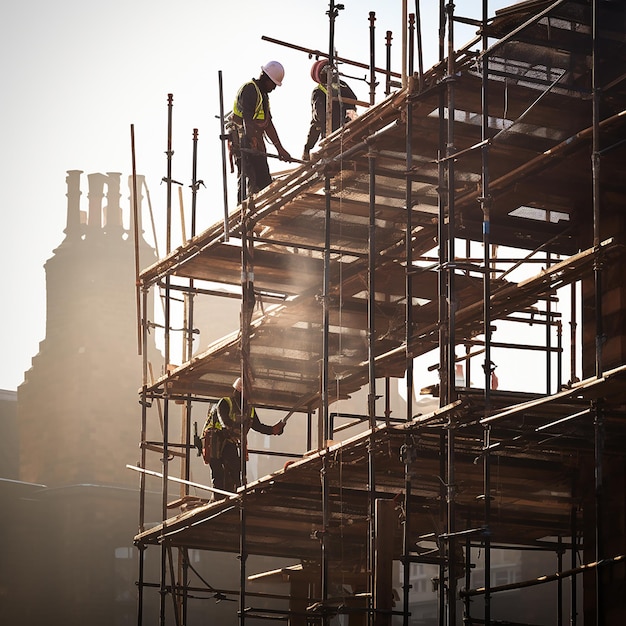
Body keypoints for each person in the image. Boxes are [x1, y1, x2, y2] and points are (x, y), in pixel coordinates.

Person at [202, 377, 285, 498]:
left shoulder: (249, 409)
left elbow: (257, 426)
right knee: (217, 470)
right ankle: (218, 498)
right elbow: (225, 422)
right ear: (240, 390)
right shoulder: (225, 403)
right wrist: (235, 429)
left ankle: (237, 496)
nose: (250, 394)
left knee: (235, 468)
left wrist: (273, 430)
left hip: (230, 440)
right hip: (215, 439)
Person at [228, 61, 292, 203]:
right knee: (248, 176)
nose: (274, 88)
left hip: (253, 138)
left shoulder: (263, 95)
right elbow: (247, 119)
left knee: (263, 178)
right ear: (265, 78)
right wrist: (252, 140)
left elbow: (267, 124)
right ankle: (244, 211)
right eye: (273, 84)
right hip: (242, 138)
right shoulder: (250, 90)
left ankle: (264, 206)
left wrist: (280, 148)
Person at [302, 59, 358, 161]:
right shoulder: (341, 85)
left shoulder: (319, 91)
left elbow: (318, 121)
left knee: (329, 166)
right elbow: (353, 103)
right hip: (348, 135)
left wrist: (307, 147)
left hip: (333, 139)